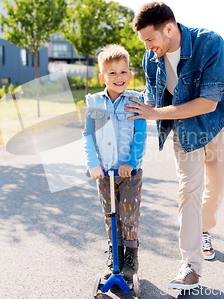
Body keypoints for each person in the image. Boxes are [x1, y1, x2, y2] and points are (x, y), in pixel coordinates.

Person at [125, 2, 224, 290]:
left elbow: (208, 102)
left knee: (217, 188)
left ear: (169, 28)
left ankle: (204, 227)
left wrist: (156, 113)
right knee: (188, 192)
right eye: (144, 42)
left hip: (220, 124)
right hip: (184, 131)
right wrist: (118, 101)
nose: (148, 46)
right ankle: (190, 264)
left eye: (150, 39)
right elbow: (152, 99)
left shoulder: (210, 43)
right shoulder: (151, 57)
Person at [83, 44, 147, 282]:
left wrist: (131, 162)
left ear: (130, 74)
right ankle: (115, 252)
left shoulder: (136, 100)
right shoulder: (94, 103)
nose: (119, 77)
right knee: (110, 214)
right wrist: (93, 163)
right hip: (104, 172)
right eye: (112, 73)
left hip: (129, 172)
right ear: (102, 76)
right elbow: (88, 136)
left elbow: (140, 135)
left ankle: (131, 255)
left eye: (123, 72)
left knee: (129, 215)